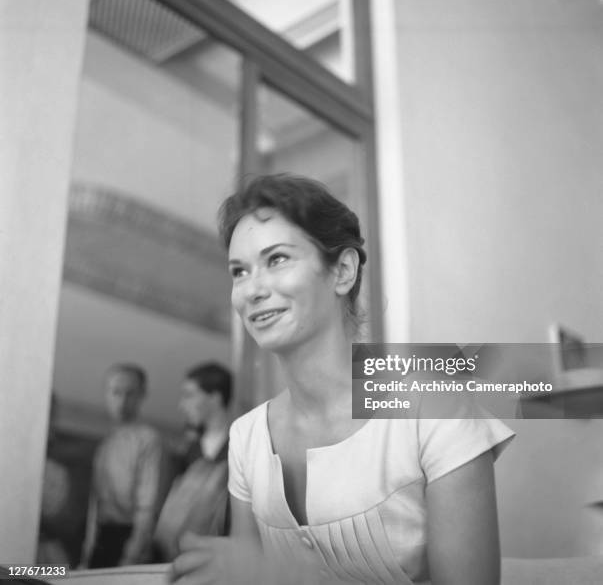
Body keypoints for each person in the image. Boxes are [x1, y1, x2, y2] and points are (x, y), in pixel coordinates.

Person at [171, 174, 515, 585]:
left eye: (277, 259)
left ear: (343, 271)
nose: (252, 290)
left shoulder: (435, 405)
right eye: (239, 271)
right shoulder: (246, 438)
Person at [81, 364, 166, 568]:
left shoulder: (149, 440)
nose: (122, 401)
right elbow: (96, 504)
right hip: (102, 538)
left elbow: (148, 506)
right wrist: (87, 552)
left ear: (142, 395)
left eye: (130, 393)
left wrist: (131, 556)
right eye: (115, 392)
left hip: (129, 538)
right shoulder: (106, 443)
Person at [153, 363, 232, 561]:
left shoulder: (242, 447)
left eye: (190, 395)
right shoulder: (183, 453)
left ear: (215, 398)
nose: (182, 405)